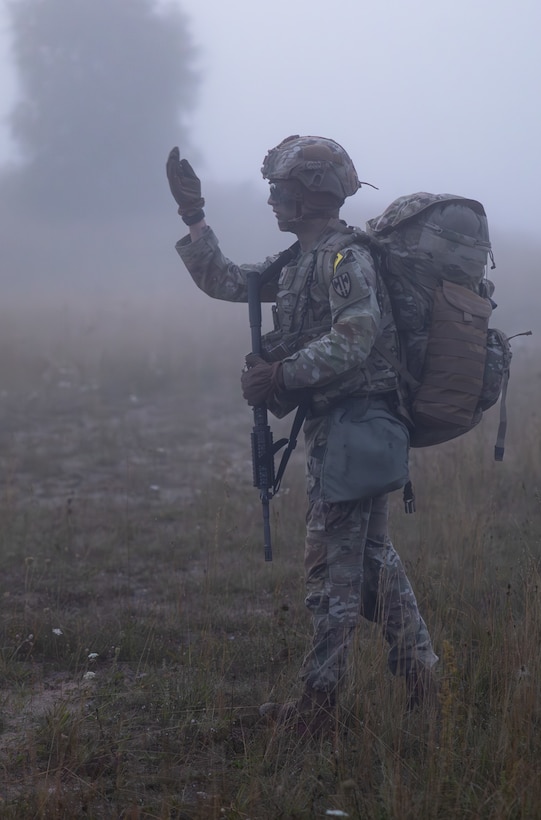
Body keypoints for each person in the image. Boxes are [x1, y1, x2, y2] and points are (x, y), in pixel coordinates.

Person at [166, 135, 438, 736]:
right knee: (371, 562)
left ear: (311, 193)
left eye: (279, 189)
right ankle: (421, 679)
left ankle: (319, 705)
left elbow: (356, 337)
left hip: (357, 427)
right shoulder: (300, 260)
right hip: (349, 430)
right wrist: (193, 216)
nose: (271, 201)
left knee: (331, 570)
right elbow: (229, 282)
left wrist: (280, 375)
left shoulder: (344, 259)